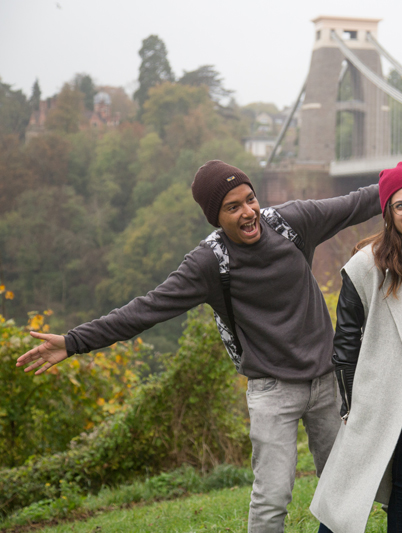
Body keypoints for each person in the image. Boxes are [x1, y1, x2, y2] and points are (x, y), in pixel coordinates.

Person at [15, 160, 381, 533]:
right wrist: (74, 341)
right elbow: (146, 309)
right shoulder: (209, 262)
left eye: (250, 199)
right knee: (271, 500)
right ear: (216, 217)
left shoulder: (292, 222)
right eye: (232, 207)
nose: (248, 212)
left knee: (343, 488)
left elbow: (360, 201)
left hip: (326, 381)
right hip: (272, 391)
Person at [310, 162, 402, 533]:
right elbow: (346, 341)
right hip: (375, 390)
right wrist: (350, 402)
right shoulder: (364, 266)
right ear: (387, 212)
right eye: (401, 205)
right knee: (350, 483)